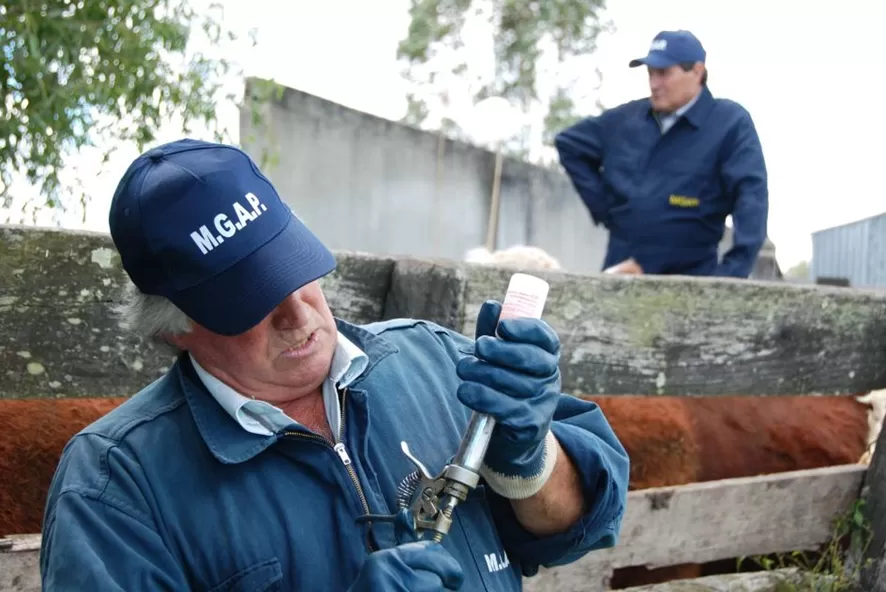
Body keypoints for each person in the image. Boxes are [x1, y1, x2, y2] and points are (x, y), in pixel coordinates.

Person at [39, 138, 630, 590]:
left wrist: (531, 463)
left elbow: (586, 523)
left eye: (292, 267)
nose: (298, 313)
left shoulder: (434, 360)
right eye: (250, 300)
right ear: (174, 328)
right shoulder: (116, 487)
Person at [554, 30, 769, 278]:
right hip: (623, 269)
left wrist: (732, 274)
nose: (654, 84)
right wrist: (607, 209)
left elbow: (751, 196)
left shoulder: (729, 123)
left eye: (664, 73)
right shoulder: (625, 120)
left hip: (693, 277)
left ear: (697, 72)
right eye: (651, 73)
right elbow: (569, 144)